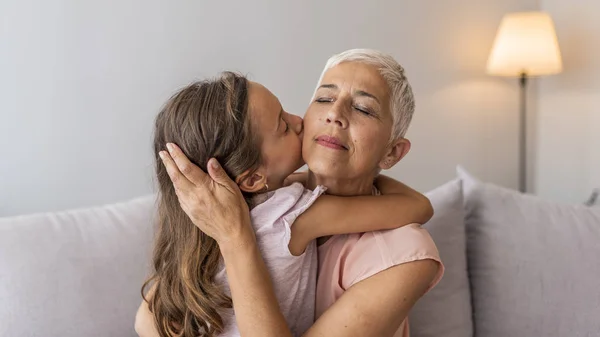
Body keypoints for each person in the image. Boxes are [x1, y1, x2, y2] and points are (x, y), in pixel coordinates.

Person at [135, 69, 435, 337]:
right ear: (252, 180)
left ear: (393, 152)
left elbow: (147, 320)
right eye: (283, 126)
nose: (298, 121)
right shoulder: (292, 215)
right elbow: (419, 206)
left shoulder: (207, 220)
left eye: (362, 108)